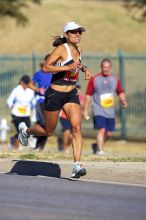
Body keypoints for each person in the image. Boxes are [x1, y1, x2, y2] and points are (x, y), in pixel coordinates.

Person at [18, 21, 92, 178]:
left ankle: (77, 165)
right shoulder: (61, 49)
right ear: (66, 35)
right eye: (74, 32)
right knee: (49, 131)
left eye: (79, 32)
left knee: (76, 128)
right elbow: (46, 67)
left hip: (71, 94)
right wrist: (66, 68)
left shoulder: (79, 49)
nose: (78, 34)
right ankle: (26, 131)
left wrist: (84, 70)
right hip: (55, 95)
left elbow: (77, 64)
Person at [83, 58, 127, 155]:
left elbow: (120, 92)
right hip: (98, 109)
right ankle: (100, 150)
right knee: (101, 129)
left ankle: (97, 145)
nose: (106, 69)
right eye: (104, 67)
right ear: (101, 67)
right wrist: (85, 109)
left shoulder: (114, 79)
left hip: (110, 111)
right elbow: (88, 95)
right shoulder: (95, 79)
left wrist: (123, 101)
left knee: (109, 133)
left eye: (107, 67)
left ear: (110, 68)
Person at [28, 54, 52, 150]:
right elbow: (30, 84)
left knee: (48, 125)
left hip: (52, 102)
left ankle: (38, 145)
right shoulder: (40, 73)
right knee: (46, 123)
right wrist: (38, 89)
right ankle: (32, 136)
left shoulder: (56, 73)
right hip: (41, 101)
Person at [7, 75, 35, 149]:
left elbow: (34, 101)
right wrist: (10, 105)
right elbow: (9, 100)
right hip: (16, 114)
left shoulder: (31, 91)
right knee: (20, 130)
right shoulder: (16, 90)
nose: (26, 85)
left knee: (27, 131)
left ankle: (13, 140)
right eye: (25, 83)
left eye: (27, 83)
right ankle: (17, 147)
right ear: (21, 82)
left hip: (26, 114)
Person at [58, 82, 84, 153]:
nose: (77, 89)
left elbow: (81, 107)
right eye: (76, 87)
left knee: (73, 134)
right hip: (64, 116)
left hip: (74, 118)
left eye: (78, 88)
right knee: (67, 131)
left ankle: (62, 142)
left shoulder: (80, 97)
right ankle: (65, 148)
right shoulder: (66, 94)